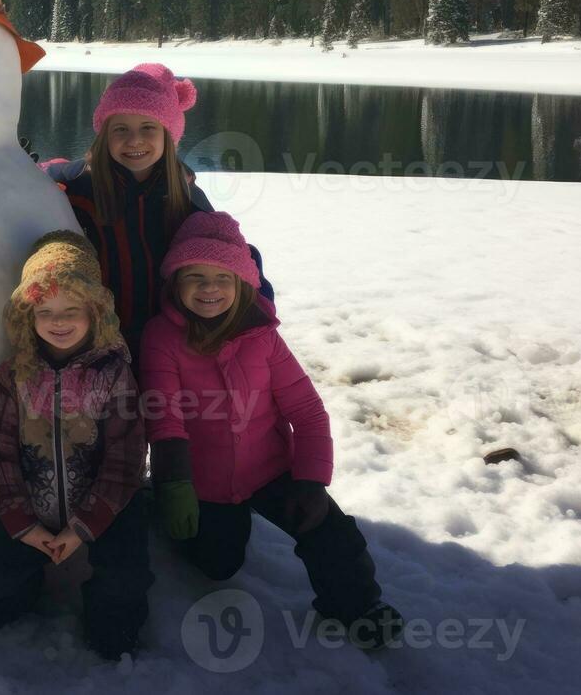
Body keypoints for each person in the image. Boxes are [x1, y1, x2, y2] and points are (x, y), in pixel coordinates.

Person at [140, 211, 403, 650]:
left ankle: (357, 606)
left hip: (272, 469)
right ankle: (170, 517)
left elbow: (308, 410)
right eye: (196, 276)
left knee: (332, 534)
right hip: (203, 479)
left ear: (244, 283)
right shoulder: (161, 337)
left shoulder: (263, 338)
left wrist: (312, 482)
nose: (209, 289)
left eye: (223, 276)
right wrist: (174, 484)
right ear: (175, 281)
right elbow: (164, 415)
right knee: (217, 564)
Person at [0, 231, 154, 660]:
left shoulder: (113, 373)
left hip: (107, 508)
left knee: (125, 582)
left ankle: (110, 627)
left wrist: (83, 526)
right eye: (45, 310)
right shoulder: (12, 376)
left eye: (72, 310)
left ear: (95, 312)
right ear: (27, 316)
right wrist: (23, 524)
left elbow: (125, 459)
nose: (59, 321)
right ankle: (21, 592)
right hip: (33, 507)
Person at [42, 64, 272, 364]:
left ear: (168, 135)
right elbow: (42, 176)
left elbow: (226, 255)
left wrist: (257, 302)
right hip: (92, 342)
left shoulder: (185, 197)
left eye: (148, 128)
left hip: (167, 343)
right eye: (120, 129)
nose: (134, 140)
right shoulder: (80, 186)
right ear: (104, 135)